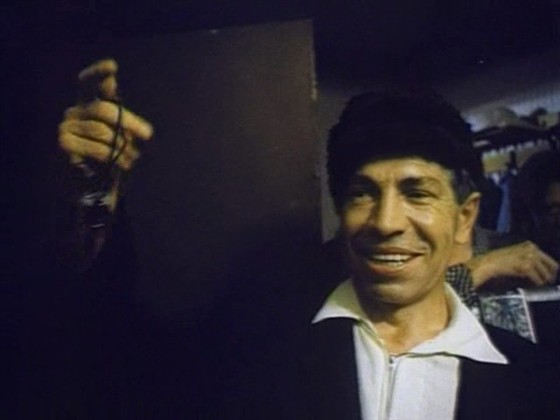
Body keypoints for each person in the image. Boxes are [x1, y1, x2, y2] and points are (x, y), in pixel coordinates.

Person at [55, 60, 559, 418]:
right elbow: (117, 370)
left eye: (416, 193)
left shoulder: (538, 381)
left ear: (465, 218)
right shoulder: (257, 350)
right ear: (340, 211)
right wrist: (96, 197)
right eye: (362, 193)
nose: (386, 221)